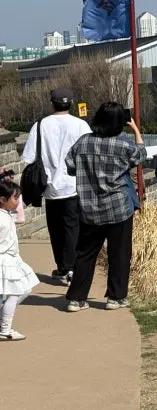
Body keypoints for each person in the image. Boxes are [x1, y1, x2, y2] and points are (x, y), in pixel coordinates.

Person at [64, 102, 146, 313]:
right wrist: (135, 129)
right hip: (118, 207)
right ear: (120, 122)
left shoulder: (83, 143)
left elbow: (71, 167)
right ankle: (115, 297)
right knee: (119, 253)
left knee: (85, 253)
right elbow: (140, 156)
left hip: (89, 208)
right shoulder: (123, 144)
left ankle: (76, 298)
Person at [21, 88, 91, 285]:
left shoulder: (41, 125)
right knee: (72, 228)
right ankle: (71, 267)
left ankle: (63, 266)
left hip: (49, 186)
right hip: (73, 184)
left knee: (55, 229)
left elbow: (29, 157)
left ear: (52, 103)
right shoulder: (81, 125)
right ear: (70, 103)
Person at [0, 179, 39, 341]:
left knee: (19, 290)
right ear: (3, 200)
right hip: (4, 260)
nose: (18, 202)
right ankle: (5, 329)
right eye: (15, 198)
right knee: (18, 291)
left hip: (10, 259)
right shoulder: (2, 219)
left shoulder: (6, 215)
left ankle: (3, 323)